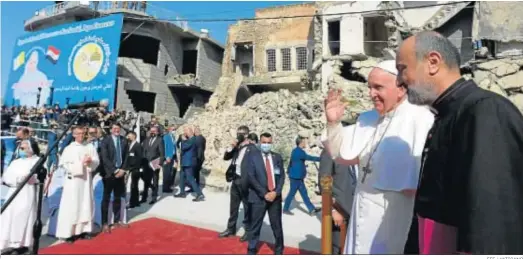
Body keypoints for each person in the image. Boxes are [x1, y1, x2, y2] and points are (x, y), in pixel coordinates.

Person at [397, 31, 523, 254]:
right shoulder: (448, 113)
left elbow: (493, 217)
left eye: (402, 69)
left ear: (433, 62)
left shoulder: (484, 112)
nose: (399, 80)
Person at [322, 60, 434, 254]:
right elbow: (340, 155)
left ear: (401, 88)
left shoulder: (422, 119)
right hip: (361, 208)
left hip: (394, 216)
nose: (371, 94)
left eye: (378, 87)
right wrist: (333, 124)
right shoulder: (368, 118)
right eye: (370, 87)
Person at [55, 126, 100, 243]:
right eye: (79, 134)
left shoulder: (89, 146)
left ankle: (84, 230)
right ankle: (70, 233)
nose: (81, 136)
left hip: (86, 180)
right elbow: (64, 165)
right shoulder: (69, 149)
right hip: (74, 181)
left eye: (83, 133)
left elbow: (96, 161)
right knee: (72, 205)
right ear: (74, 135)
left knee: (85, 204)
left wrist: (91, 162)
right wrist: (80, 165)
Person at [246, 132, 285, 255]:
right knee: (255, 225)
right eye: (264, 143)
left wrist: (276, 192)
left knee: (277, 225)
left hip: (275, 198)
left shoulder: (277, 157)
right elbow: (251, 177)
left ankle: (279, 250)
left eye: (269, 143)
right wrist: (264, 193)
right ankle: (252, 248)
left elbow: (282, 176)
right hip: (259, 197)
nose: (266, 145)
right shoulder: (252, 157)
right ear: (260, 143)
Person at [0, 140, 39, 254]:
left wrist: (28, 178)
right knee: (9, 217)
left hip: (27, 192)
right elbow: (6, 177)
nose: (21, 150)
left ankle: (21, 244)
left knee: (22, 217)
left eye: (24, 148)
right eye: (21, 148)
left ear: (31, 148)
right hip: (13, 191)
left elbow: (38, 177)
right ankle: (8, 243)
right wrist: (18, 179)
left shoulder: (36, 161)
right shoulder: (15, 162)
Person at [218, 125, 255, 242]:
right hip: (235, 180)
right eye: (238, 132)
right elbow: (226, 157)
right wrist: (231, 147)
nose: (239, 135)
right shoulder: (237, 146)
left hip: (245, 181)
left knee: (247, 207)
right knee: (233, 207)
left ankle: (249, 231)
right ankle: (230, 229)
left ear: (247, 135)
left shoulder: (252, 148)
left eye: (242, 133)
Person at [318, 146, 357, 254]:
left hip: (355, 212)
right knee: (337, 249)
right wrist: (332, 210)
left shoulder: (355, 151)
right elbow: (325, 184)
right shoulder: (330, 152)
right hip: (339, 213)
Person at [100, 123, 129, 233]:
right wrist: (115, 170)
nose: (117, 130)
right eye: (115, 128)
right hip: (109, 174)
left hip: (121, 174)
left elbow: (126, 156)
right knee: (106, 199)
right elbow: (105, 157)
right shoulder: (105, 140)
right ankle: (104, 223)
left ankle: (117, 220)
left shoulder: (123, 140)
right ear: (111, 130)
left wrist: (123, 170)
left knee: (118, 197)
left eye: (118, 128)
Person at [283, 135, 321, 215]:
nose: (305, 143)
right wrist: (320, 159)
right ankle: (285, 209)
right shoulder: (300, 152)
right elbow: (309, 157)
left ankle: (311, 209)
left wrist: (289, 172)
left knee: (303, 193)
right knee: (292, 193)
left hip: (296, 177)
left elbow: (291, 162)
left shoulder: (294, 151)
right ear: (301, 143)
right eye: (304, 142)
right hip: (296, 177)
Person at [174, 125, 205, 201]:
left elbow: (184, 147)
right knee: (182, 177)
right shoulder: (190, 139)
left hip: (189, 162)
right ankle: (182, 192)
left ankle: (199, 194)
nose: (184, 133)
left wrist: (183, 140)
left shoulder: (192, 139)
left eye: (186, 131)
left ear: (190, 131)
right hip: (185, 162)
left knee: (190, 178)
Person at [141, 126, 164, 204]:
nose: (152, 132)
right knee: (146, 181)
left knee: (155, 181)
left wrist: (160, 163)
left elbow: (162, 153)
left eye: (154, 131)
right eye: (151, 131)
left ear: (157, 132)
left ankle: (154, 197)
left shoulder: (160, 140)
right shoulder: (146, 140)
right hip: (146, 163)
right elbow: (143, 151)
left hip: (155, 163)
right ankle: (144, 197)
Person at [125, 132, 143, 208]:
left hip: (135, 168)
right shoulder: (129, 145)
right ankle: (135, 201)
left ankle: (133, 202)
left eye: (129, 136)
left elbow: (139, 158)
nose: (128, 137)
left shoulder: (137, 145)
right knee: (133, 185)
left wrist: (136, 167)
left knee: (134, 185)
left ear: (134, 136)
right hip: (129, 167)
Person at [162, 125, 176, 193]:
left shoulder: (173, 137)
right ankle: (165, 188)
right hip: (167, 157)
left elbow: (174, 147)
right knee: (166, 173)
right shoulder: (166, 137)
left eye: (175, 129)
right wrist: (166, 156)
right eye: (173, 129)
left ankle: (168, 186)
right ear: (169, 129)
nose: (174, 131)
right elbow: (164, 147)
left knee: (170, 172)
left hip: (172, 157)